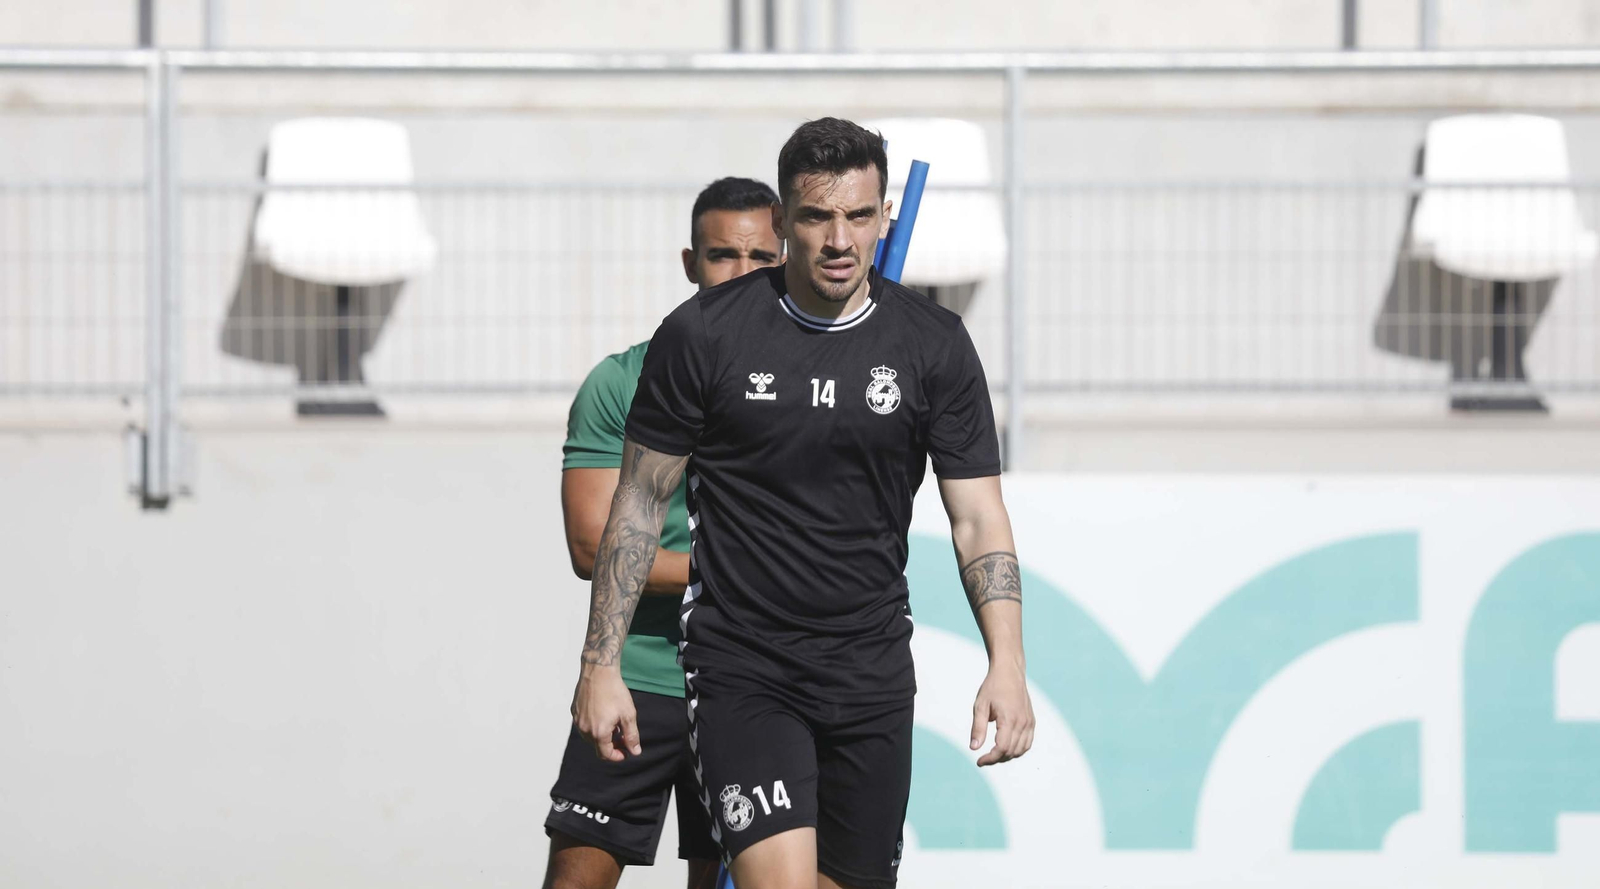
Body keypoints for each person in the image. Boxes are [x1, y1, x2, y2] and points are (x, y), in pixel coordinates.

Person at [571, 117, 1034, 889]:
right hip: (745, 669)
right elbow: (639, 504)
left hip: (872, 675)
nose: (840, 240)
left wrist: (1008, 663)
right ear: (782, 221)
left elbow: (978, 518)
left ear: (885, 217)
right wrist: (600, 664)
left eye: (859, 215)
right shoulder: (705, 335)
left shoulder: (934, 345)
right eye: (817, 217)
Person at [545, 177, 784, 889]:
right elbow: (591, 546)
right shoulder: (620, 382)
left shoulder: (807, 392)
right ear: (690, 263)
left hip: (751, 685)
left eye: (761, 257)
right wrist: (734, 570)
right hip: (640, 679)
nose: (742, 273)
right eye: (722, 255)